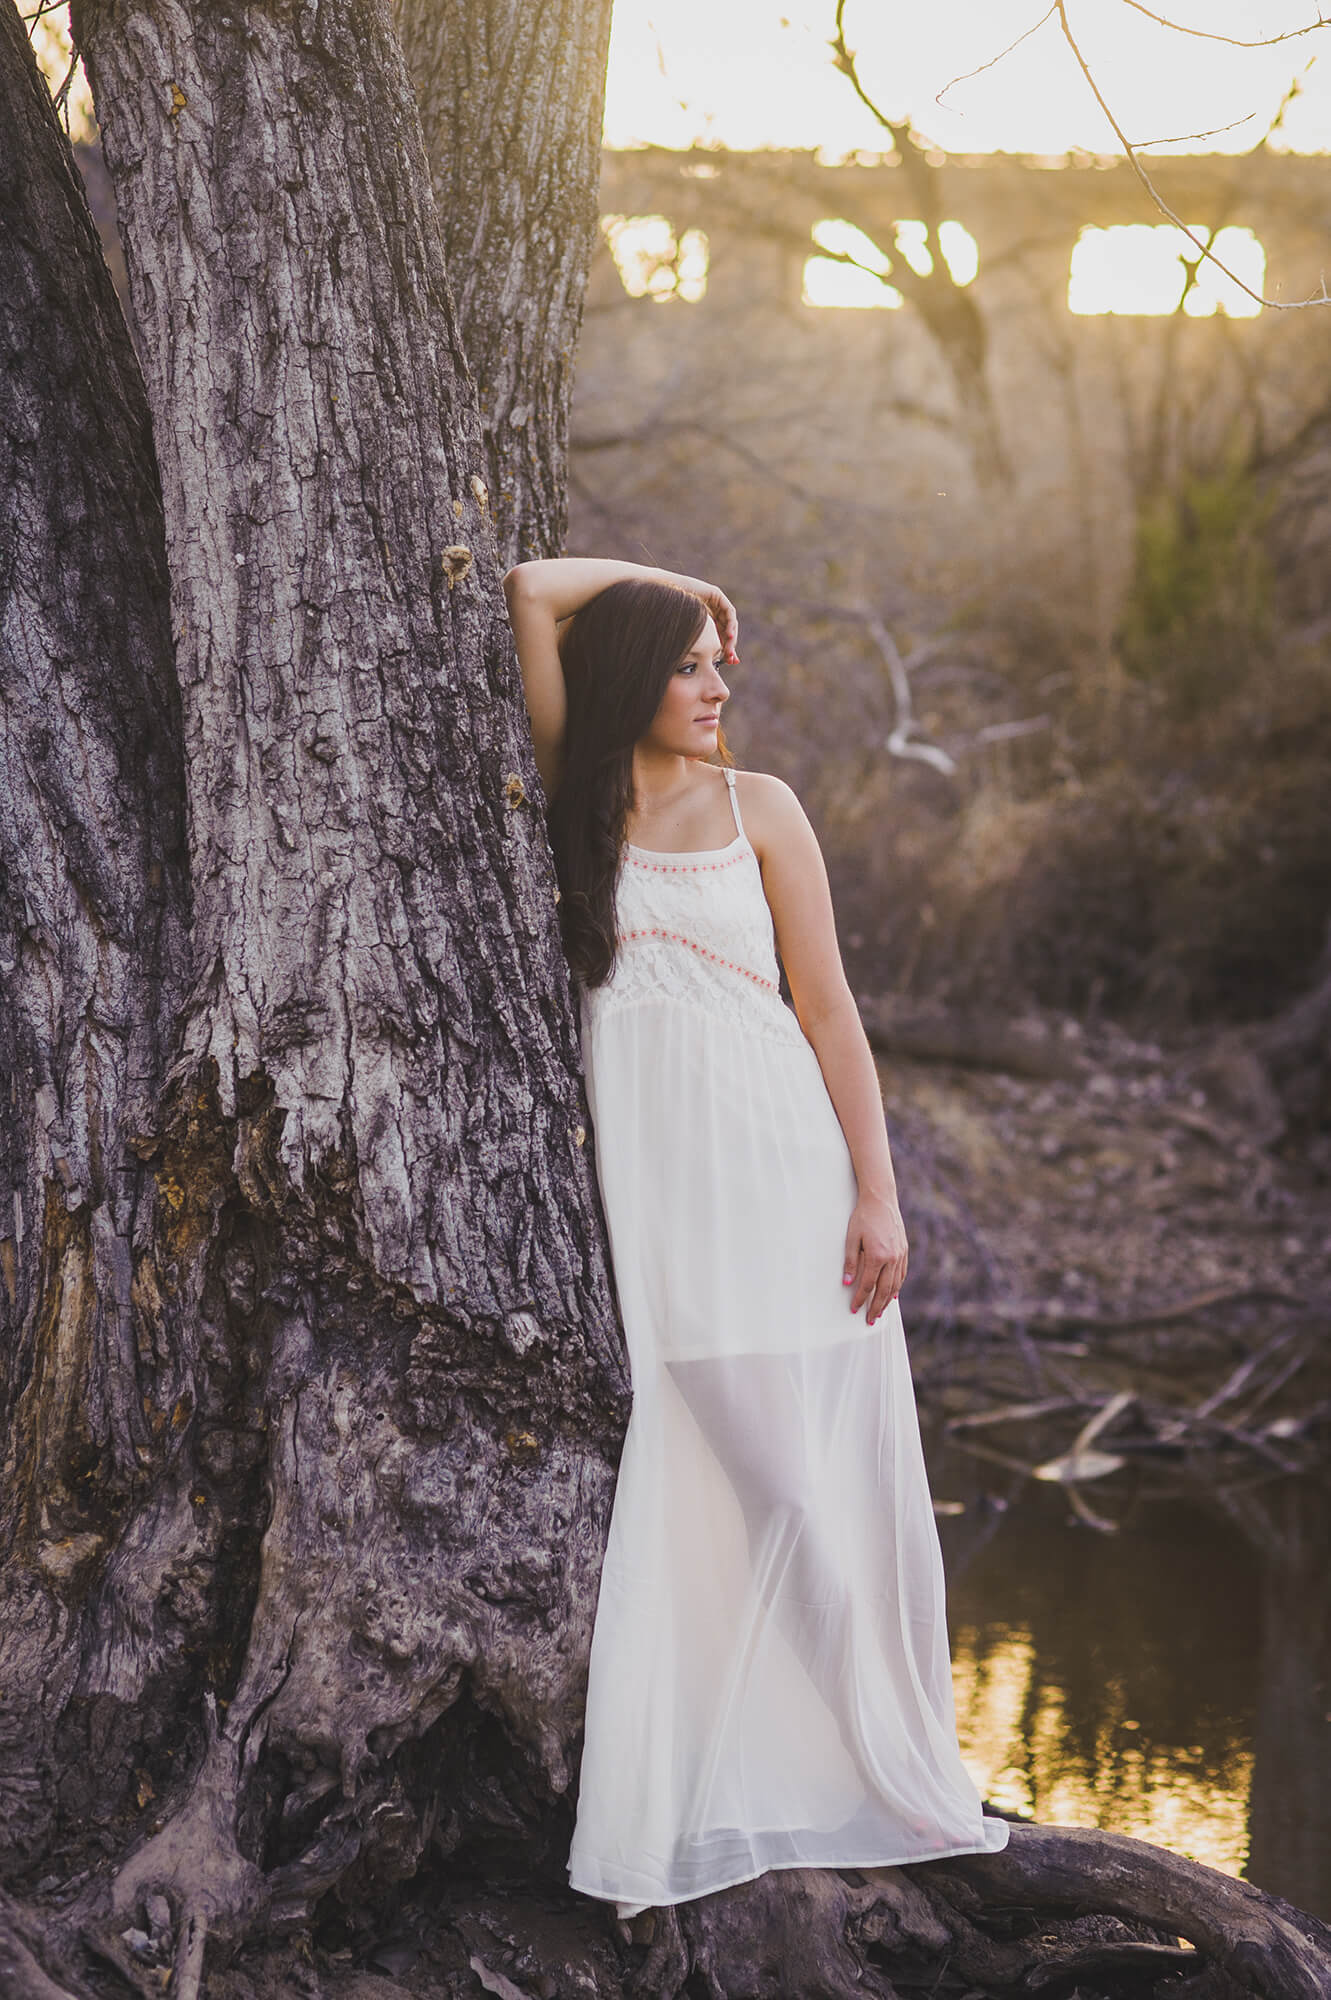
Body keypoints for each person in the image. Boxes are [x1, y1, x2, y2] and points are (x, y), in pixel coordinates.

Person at [503, 555, 1009, 1920]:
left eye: (726, 662)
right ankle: (842, 1757)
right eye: (690, 662)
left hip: (788, 1162)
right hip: (670, 1191)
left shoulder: (762, 807)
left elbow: (832, 1011)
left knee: (803, 1477)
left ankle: (892, 1764)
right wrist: (686, 582)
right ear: (634, 676)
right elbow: (531, 586)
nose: (719, 685)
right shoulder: (580, 784)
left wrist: (878, 1192)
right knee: (758, 1479)